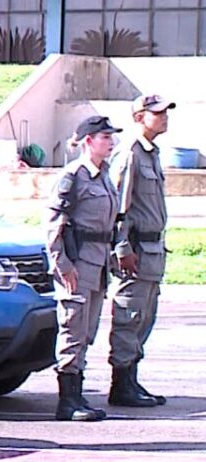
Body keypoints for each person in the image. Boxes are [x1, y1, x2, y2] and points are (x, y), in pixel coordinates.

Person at [46, 115, 123, 421]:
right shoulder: (73, 176)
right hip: (77, 265)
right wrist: (61, 263)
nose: (111, 142)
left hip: (98, 263)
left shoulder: (103, 174)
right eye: (105, 137)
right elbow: (54, 224)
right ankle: (67, 401)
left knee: (86, 331)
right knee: (72, 330)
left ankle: (78, 395)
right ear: (88, 141)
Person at [107, 94, 176, 408]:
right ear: (139, 117)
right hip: (135, 248)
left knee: (144, 316)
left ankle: (131, 379)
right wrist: (122, 247)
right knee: (129, 314)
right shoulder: (130, 154)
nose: (163, 118)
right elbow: (118, 207)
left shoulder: (151, 153)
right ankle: (121, 384)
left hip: (152, 249)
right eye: (157, 113)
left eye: (164, 113)